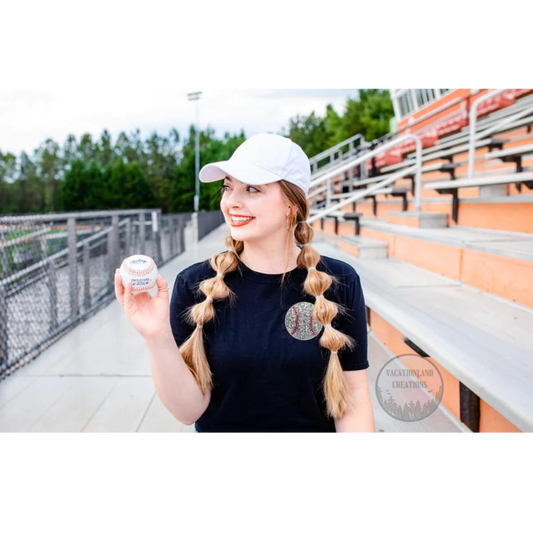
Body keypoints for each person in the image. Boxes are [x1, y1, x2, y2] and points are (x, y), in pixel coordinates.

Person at [116, 133, 375, 436]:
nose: (231, 203)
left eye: (252, 189)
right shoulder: (195, 284)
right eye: (228, 187)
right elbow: (189, 411)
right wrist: (156, 336)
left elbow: (353, 402)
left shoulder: (340, 282)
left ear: (292, 204)